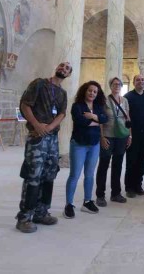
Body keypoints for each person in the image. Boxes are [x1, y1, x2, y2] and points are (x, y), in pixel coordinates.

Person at [15, 62, 71, 233]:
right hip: (37, 137)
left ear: (68, 74)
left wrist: (49, 127)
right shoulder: (39, 83)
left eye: (67, 68)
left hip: (52, 138)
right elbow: (25, 105)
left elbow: (62, 113)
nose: (63, 68)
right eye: (62, 66)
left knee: (49, 174)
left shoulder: (62, 93)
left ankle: (41, 212)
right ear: (57, 68)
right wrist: (37, 125)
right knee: (33, 174)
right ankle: (25, 217)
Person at [64, 81, 108, 218]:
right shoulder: (77, 106)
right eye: (90, 90)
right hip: (79, 144)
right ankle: (69, 204)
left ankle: (87, 201)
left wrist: (93, 117)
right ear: (85, 91)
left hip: (94, 144)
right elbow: (80, 122)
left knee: (89, 174)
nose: (92, 93)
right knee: (74, 175)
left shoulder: (98, 106)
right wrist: (97, 120)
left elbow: (105, 119)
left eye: (95, 92)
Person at [96, 77, 131, 206]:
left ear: (121, 86)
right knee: (104, 164)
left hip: (121, 136)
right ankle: (100, 195)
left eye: (119, 84)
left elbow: (128, 118)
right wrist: (101, 137)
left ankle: (116, 193)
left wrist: (129, 135)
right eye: (114, 84)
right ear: (110, 86)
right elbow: (100, 119)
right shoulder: (104, 100)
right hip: (108, 136)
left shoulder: (125, 100)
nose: (117, 86)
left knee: (118, 164)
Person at [124, 74, 144, 198]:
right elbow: (126, 117)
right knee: (131, 161)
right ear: (133, 82)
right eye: (138, 80)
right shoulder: (128, 97)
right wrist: (129, 134)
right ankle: (129, 188)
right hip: (133, 135)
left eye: (142, 80)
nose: (140, 81)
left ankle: (138, 185)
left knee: (142, 161)